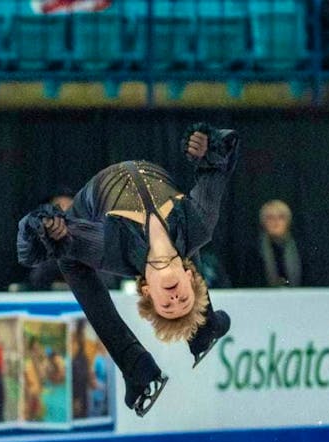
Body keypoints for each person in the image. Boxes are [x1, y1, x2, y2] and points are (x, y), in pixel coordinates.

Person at [17, 123, 239, 416]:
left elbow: (29, 246)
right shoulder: (200, 224)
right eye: (182, 300)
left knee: (68, 258)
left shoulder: (111, 247)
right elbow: (223, 152)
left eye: (167, 306)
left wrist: (48, 228)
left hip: (93, 204)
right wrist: (206, 145)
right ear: (190, 277)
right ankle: (203, 326)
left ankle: (135, 365)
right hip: (166, 198)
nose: (174, 299)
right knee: (188, 238)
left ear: (147, 290)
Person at [258, 200, 304, 287]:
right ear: (263, 222)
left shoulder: (301, 248)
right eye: (270, 217)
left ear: (288, 221)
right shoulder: (254, 251)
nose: (276, 221)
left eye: (281, 217)